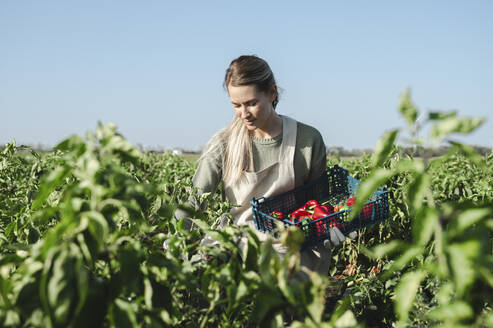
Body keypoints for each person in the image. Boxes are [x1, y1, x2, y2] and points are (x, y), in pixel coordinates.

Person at [175, 55, 349, 276]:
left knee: (281, 287)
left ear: (272, 93)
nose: (244, 114)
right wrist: (174, 243)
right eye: (236, 105)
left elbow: (319, 204)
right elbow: (193, 202)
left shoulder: (307, 140)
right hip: (234, 242)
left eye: (251, 103)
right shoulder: (223, 144)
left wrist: (329, 226)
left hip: (288, 245)